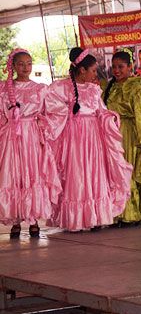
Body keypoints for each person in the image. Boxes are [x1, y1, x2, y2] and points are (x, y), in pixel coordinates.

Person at [45, 48, 132, 231]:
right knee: (76, 173)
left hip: (93, 137)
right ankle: (77, 218)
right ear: (82, 70)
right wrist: (68, 113)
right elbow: (52, 109)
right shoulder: (61, 87)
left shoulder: (94, 90)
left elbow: (101, 111)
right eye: (93, 70)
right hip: (73, 136)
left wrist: (111, 117)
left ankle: (94, 216)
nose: (95, 74)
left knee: (94, 171)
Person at [0, 48, 61, 238]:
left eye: (28, 63)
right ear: (13, 66)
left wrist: (43, 126)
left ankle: (34, 220)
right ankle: (16, 220)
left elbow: (55, 111)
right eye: (21, 64)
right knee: (14, 175)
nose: (25, 67)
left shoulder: (40, 89)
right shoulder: (3, 89)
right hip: (11, 137)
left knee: (33, 173)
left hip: (32, 137)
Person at [102, 51, 141, 225]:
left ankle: (131, 212)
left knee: (128, 170)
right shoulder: (109, 87)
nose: (117, 70)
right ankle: (117, 212)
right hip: (112, 133)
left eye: (121, 67)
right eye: (114, 67)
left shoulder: (135, 86)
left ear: (130, 67)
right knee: (114, 172)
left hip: (129, 132)